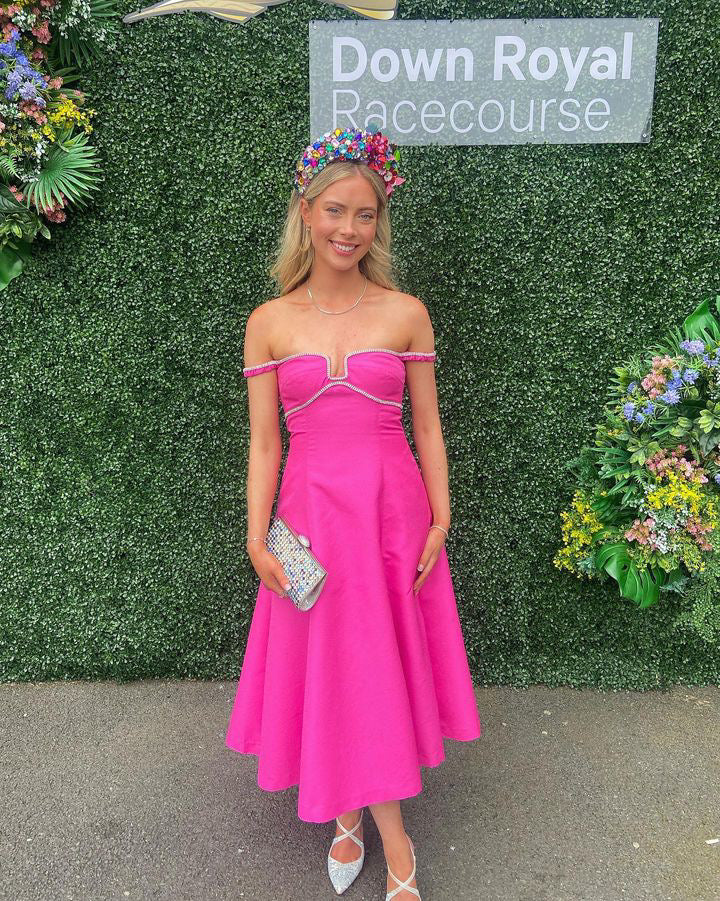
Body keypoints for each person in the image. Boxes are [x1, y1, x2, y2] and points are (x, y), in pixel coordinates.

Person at [225, 126, 482, 900]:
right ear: (307, 212)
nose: (348, 228)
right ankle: (360, 822)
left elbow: (428, 425)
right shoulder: (267, 321)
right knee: (331, 668)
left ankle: (376, 830)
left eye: (364, 214)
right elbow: (265, 442)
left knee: (371, 667)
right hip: (307, 523)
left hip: (390, 519)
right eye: (335, 210)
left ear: (379, 223)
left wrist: (441, 515)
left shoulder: (406, 312)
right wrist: (254, 534)